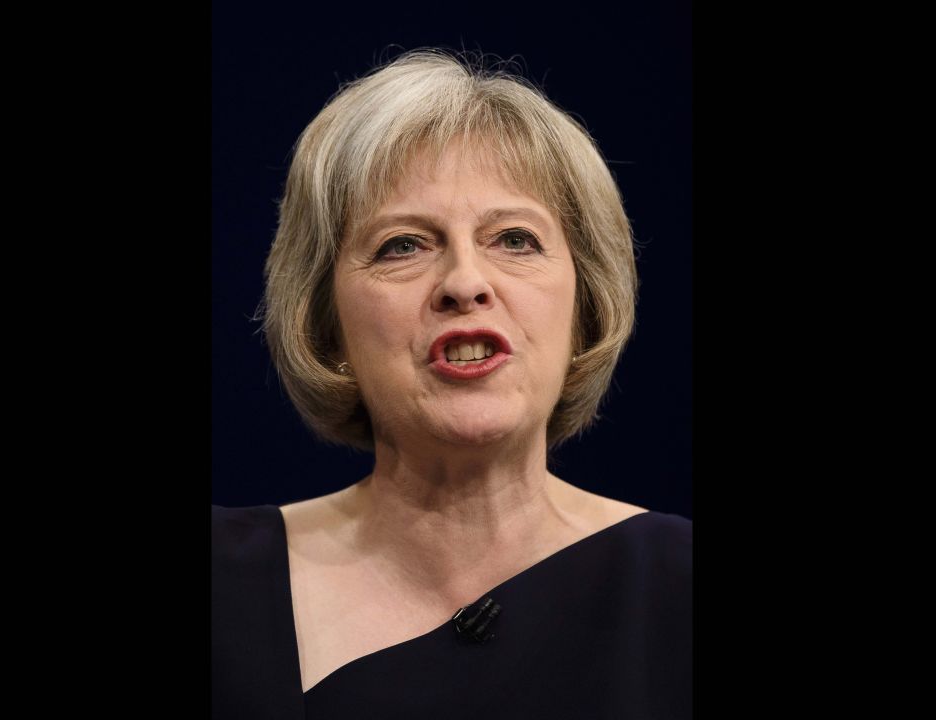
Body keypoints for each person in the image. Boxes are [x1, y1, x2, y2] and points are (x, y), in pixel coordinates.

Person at [213, 49, 691, 719]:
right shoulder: (224, 585)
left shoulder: (676, 585)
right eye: (402, 245)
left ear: (585, 308)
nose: (466, 283)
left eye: (515, 240)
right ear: (326, 325)